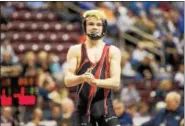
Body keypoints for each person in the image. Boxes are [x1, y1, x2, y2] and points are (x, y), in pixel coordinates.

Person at [64, 10, 121, 126]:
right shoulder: (75, 50)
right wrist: (82, 78)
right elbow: (68, 81)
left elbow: (116, 82)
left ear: (103, 28)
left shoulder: (112, 51)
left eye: (98, 24)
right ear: (84, 26)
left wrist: (95, 82)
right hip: (82, 111)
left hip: (105, 109)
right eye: (91, 24)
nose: (95, 27)